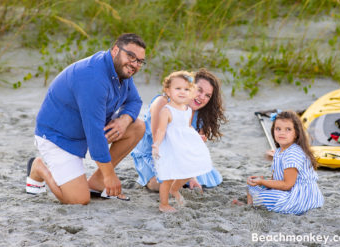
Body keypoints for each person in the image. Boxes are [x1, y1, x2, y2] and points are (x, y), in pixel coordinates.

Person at [26, 33, 147, 204]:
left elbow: (135, 101)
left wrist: (124, 120)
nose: (134, 64)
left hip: (84, 130)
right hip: (59, 137)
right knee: (79, 200)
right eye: (131, 56)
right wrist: (110, 175)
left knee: (137, 126)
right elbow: (95, 132)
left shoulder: (121, 71)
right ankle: (39, 168)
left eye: (140, 61)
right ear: (115, 50)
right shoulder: (93, 77)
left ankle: (97, 182)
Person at [131, 68, 227, 192]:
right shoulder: (162, 102)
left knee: (195, 181)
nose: (202, 97)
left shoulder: (201, 116)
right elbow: (158, 142)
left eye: (207, 95)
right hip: (153, 154)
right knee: (159, 185)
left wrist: (192, 176)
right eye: (199, 90)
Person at [238, 111, 324, 215]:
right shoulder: (279, 151)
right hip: (287, 190)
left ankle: (252, 207)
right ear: (273, 131)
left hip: (300, 197)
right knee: (251, 187)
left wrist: (262, 182)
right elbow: (277, 180)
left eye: (288, 129)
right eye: (278, 129)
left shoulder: (292, 154)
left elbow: (287, 184)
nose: (282, 133)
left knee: (261, 196)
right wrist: (262, 181)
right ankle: (250, 205)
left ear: (296, 133)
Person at [151, 71, 213, 212]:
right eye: (178, 89)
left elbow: (188, 126)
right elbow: (160, 131)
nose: (182, 92)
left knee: (188, 170)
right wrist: (156, 145)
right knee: (167, 176)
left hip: (182, 147)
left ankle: (175, 189)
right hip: (169, 147)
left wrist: (196, 138)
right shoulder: (166, 110)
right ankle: (164, 204)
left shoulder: (187, 110)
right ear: (168, 91)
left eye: (186, 89)